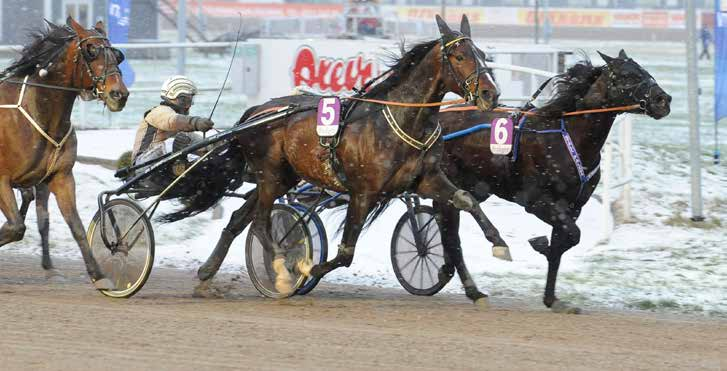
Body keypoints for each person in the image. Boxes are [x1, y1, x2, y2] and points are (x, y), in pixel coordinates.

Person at [131, 75, 215, 166]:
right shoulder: (158, 111)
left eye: (190, 101)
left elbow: (203, 144)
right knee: (174, 141)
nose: (189, 106)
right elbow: (172, 121)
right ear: (174, 97)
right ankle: (177, 164)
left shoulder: (182, 128)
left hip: (164, 163)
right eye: (185, 100)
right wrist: (196, 122)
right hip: (142, 164)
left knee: (192, 140)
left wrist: (221, 143)